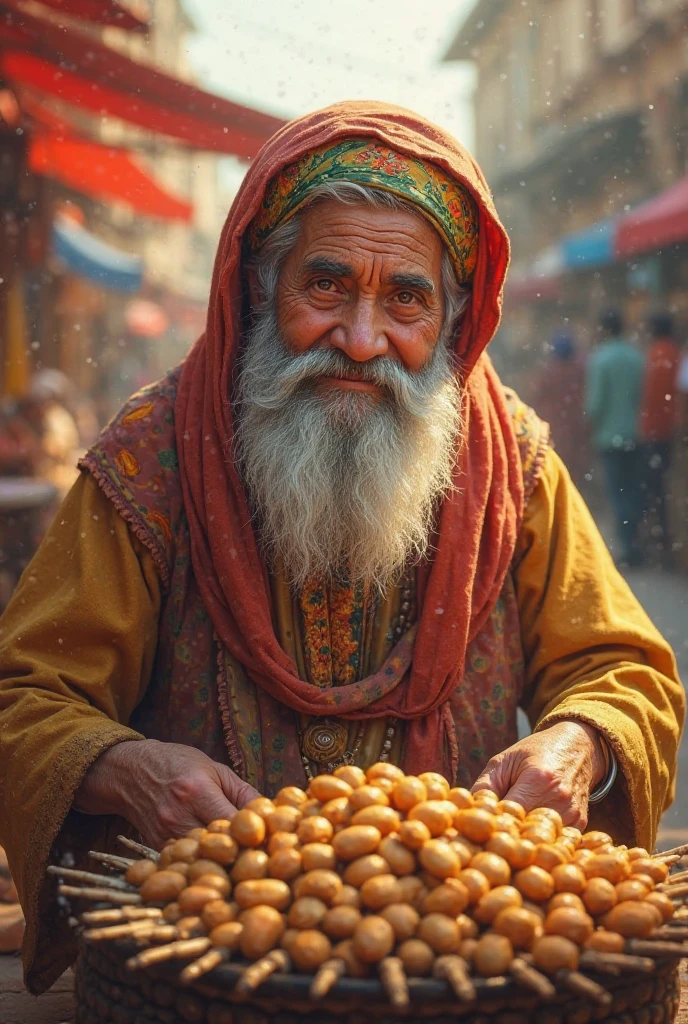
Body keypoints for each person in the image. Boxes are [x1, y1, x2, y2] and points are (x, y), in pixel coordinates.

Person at [0, 103, 682, 993]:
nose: (363, 343)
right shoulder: (154, 457)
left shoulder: (511, 464)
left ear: (453, 323)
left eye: (406, 299)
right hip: (202, 971)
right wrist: (124, 768)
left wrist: (579, 742)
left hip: (461, 969)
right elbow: (25, 695)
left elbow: (623, 671)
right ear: (258, 289)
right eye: (325, 287)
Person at [585, 309, 645, 567]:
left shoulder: (600, 360)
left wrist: (588, 428)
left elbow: (595, 404)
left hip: (609, 437)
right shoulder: (637, 357)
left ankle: (627, 550)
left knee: (617, 493)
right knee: (633, 491)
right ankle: (635, 543)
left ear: (605, 329)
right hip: (636, 434)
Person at [638, 312, 681, 566]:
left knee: (656, 491)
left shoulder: (654, 355)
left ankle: (661, 544)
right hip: (671, 434)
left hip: (654, 434)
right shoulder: (676, 355)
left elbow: (648, 397)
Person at [530, 331, 587, 488]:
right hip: (575, 423)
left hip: (553, 424)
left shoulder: (548, 371)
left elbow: (537, 395)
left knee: (555, 461)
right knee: (574, 463)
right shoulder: (579, 371)